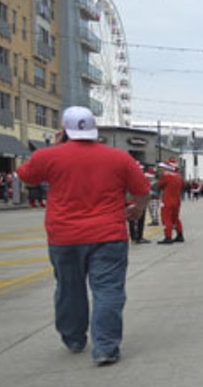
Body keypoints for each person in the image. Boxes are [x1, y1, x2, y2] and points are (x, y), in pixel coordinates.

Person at [16, 106, 150, 365]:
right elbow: (142, 191)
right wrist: (137, 209)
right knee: (108, 290)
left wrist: (55, 146)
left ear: (64, 130)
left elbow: (27, 178)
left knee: (68, 288)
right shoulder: (119, 158)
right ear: (94, 129)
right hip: (109, 234)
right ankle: (106, 347)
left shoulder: (48, 156)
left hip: (64, 235)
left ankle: (74, 338)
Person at [155, 160, 186, 244]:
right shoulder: (179, 176)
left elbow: (159, 186)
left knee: (166, 218)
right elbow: (184, 185)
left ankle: (168, 237)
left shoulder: (166, 176)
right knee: (175, 218)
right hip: (177, 200)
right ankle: (180, 235)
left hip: (167, 200)